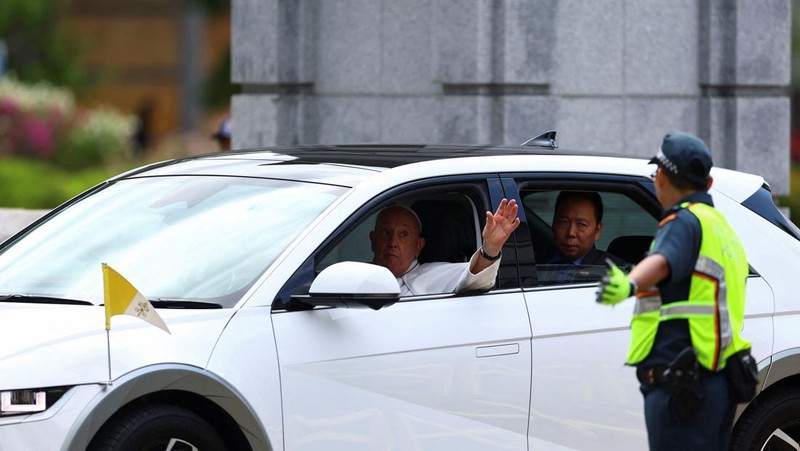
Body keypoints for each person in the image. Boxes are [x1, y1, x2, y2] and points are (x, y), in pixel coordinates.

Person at [596, 131, 752, 450]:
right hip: (719, 380)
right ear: (707, 185)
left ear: (662, 176)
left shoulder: (682, 221)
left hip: (683, 383)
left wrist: (630, 284)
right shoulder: (722, 229)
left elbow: (662, 261)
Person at [370, 198, 519, 296]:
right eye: (385, 232)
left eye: (403, 234)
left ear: (418, 246)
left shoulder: (437, 275)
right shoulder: (354, 275)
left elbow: (473, 275)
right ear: (373, 240)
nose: (393, 242)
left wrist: (490, 249)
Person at [548, 191, 623, 265]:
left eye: (581, 224)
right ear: (553, 223)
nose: (571, 233)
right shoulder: (539, 260)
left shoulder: (613, 270)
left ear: (597, 231)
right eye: (564, 222)